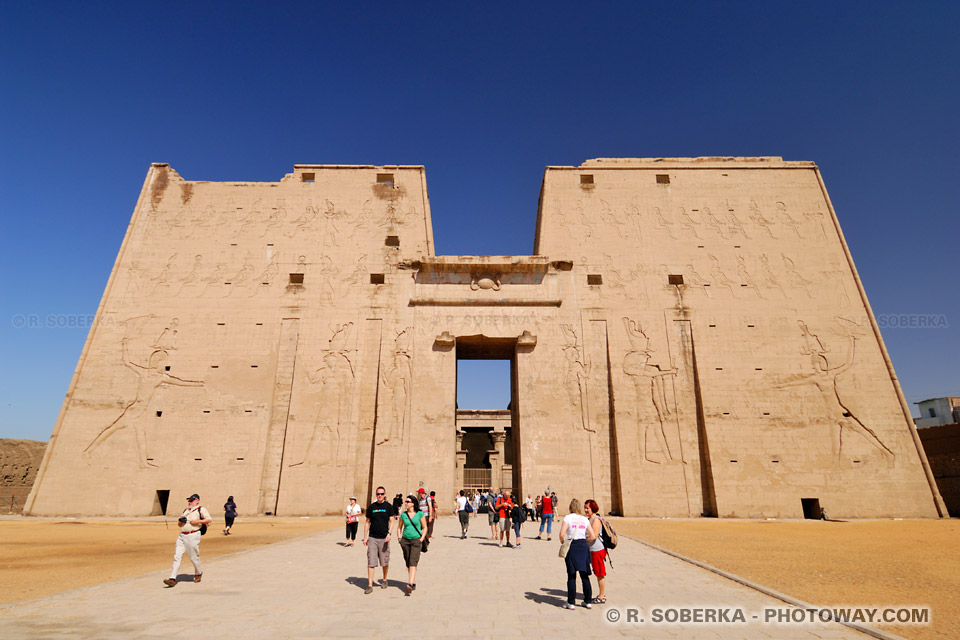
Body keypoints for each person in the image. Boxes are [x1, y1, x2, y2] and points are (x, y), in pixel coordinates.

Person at [163, 493, 212, 587]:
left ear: (197, 501)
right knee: (177, 556)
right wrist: (181, 521)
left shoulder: (201, 509)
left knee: (193, 557)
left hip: (193, 535)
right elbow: (179, 525)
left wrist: (197, 522)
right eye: (189, 500)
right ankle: (172, 578)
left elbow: (209, 519)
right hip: (182, 535)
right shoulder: (185, 511)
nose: (189, 502)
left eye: (191, 500)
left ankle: (198, 572)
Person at [559, 498, 595, 609]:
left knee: (571, 575)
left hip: (572, 547)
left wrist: (564, 543)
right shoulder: (584, 519)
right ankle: (588, 601)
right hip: (583, 547)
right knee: (584, 575)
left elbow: (561, 534)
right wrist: (584, 541)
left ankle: (571, 602)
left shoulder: (567, 518)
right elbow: (593, 536)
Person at [362, 486, 396, 594]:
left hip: (384, 538)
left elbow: (391, 520)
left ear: (384, 494)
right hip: (372, 537)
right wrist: (365, 537)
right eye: (378, 494)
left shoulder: (388, 506)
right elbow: (367, 522)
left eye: (381, 494)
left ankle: (384, 579)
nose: (380, 496)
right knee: (371, 562)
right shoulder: (372, 507)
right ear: (376, 495)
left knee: (384, 561)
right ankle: (370, 585)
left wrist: (389, 533)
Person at [397, 494, 428, 595]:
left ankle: (410, 584)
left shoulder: (419, 514)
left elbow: (425, 527)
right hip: (405, 541)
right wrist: (399, 538)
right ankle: (413, 581)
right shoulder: (403, 515)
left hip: (416, 541)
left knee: (413, 562)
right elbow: (399, 527)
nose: (405, 503)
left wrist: (421, 539)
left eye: (407, 502)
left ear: (413, 503)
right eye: (405, 502)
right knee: (408, 562)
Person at [584, 499, 607, 604]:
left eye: (587, 508)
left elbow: (595, 536)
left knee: (599, 573)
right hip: (591, 550)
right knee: (597, 572)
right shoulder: (589, 519)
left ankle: (602, 595)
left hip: (597, 549)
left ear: (593, 508)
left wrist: (582, 539)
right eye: (585, 508)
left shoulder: (596, 520)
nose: (585, 510)